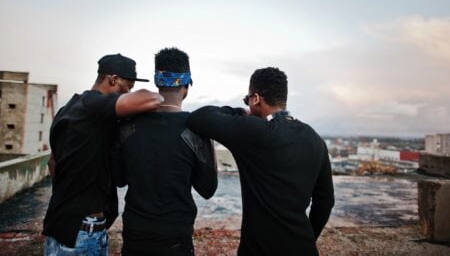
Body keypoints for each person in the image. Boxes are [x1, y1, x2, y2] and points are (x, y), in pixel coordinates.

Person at [186, 67, 334, 256]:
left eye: (248, 100)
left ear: (255, 99)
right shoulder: (315, 139)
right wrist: (308, 238)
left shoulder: (255, 133)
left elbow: (199, 118)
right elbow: (325, 202)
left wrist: (241, 110)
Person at [43, 53, 164, 255]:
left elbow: (52, 162)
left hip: (59, 223)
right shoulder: (95, 104)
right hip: (82, 230)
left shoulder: (67, 109)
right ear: (113, 79)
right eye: (129, 86)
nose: (130, 92)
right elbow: (153, 99)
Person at [114, 47, 218, 256]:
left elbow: (119, 178)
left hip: (135, 233)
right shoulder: (195, 129)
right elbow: (208, 189)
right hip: (175, 237)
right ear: (186, 87)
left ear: (157, 82)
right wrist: (209, 140)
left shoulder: (127, 126)